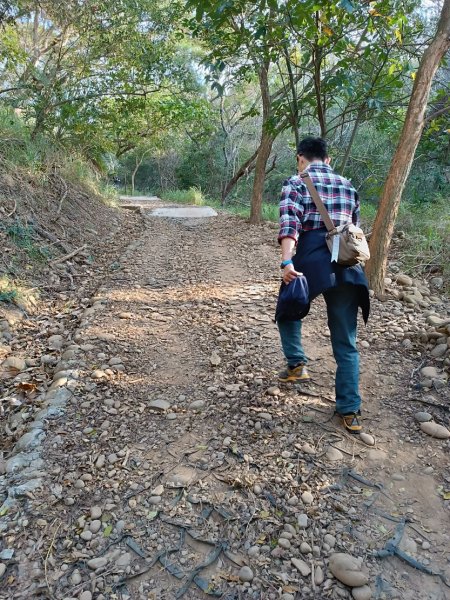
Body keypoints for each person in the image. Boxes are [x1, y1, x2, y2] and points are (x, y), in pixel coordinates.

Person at [276, 137, 370, 433]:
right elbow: (352, 228)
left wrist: (286, 262)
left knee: (289, 308)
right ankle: (350, 410)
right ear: (328, 160)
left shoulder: (296, 181)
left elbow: (289, 225)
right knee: (346, 340)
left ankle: (297, 365)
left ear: (300, 158)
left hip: (311, 261)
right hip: (347, 265)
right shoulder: (348, 185)